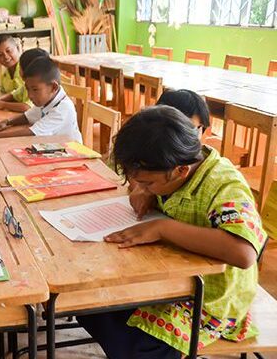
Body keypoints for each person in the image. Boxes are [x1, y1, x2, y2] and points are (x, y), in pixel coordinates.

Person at [78, 106, 266, 358]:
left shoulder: (224, 184)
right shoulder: (169, 166)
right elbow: (139, 175)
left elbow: (243, 253)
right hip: (169, 280)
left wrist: (163, 228)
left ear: (180, 171)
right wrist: (142, 189)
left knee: (137, 343)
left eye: (147, 182)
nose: (142, 185)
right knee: (89, 304)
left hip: (209, 301)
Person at [129, 89, 211, 219]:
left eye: (192, 130)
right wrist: (141, 187)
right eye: (174, 130)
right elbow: (127, 168)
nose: (182, 138)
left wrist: (163, 229)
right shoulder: (147, 146)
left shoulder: (216, 181)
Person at [0, 55, 82, 142]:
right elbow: (27, 116)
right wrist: (6, 122)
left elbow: (32, 132)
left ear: (54, 87)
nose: (30, 95)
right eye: (28, 89)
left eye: (35, 90)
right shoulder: (48, 99)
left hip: (73, 154)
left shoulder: (63, 108)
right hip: (55, 147)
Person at [0, 34, 30, 112]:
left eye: (8, 51)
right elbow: (14, 94)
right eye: (0, 54)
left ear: (18, 48)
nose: (5, 56)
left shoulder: (29, 70)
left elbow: (28, 107)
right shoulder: (4, 75)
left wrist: (2, 104)